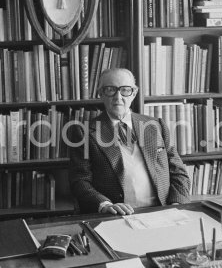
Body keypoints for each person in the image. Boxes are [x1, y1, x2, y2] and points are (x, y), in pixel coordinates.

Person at [69, 68, 191, 215]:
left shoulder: (156, 125)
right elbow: (80, 181)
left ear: (134, 93)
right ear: (101, 93)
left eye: (125, 90)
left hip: (162, 212)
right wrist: (105, 205)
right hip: (115, 216)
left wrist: (175, 204)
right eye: (110, 90)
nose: (118, 97)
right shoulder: (84, 132)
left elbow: (178, 171)